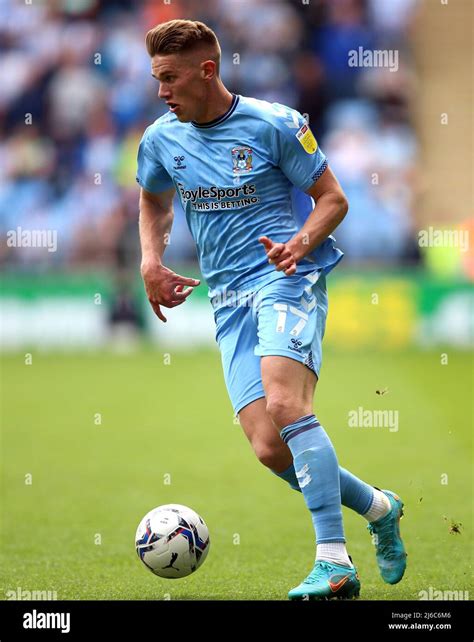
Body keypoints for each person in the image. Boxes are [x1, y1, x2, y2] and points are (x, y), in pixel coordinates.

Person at [137, 19, 406, 600]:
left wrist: (300, 244)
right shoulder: (161, 138)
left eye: (170, 79)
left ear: (206, 71)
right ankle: (381, 508)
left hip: (286, 277)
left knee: (286, 404)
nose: (161, 91)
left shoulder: (277, 124)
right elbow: (154, 200)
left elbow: (333, 199)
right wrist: (150, 260)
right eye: (157, 79)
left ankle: (333, 562)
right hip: (228, 299)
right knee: (267, 445)